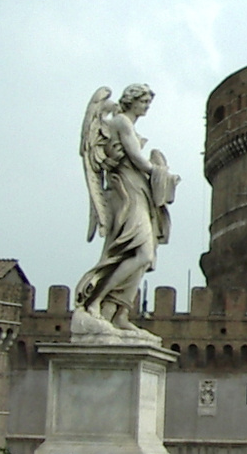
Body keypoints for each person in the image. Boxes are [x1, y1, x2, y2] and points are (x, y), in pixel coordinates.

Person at [76, 84, 180, 335]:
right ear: (132, 100)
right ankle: (94, 302)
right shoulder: (121, 122)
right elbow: (136, 158)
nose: (146, 107)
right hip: (126, 192)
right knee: (138, 252)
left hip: (137, 190)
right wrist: (163, 174)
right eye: (144, 102)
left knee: (145, 255)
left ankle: (118, 312)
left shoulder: (127, 125)